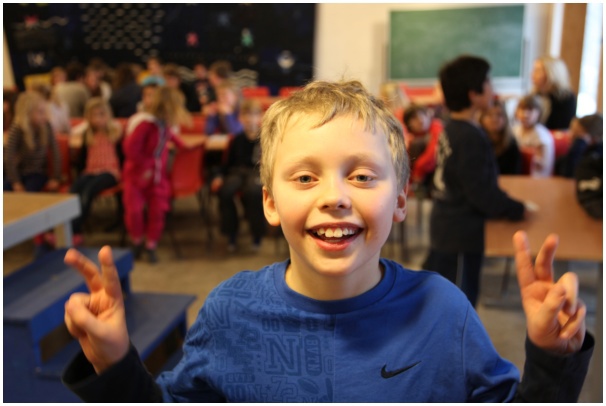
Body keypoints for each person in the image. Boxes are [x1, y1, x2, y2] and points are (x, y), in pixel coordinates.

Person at [62, 80, 593, 402]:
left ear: (400, 200)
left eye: (362, 176)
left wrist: (551, 357)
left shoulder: (443, 311)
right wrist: (115, 364)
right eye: (304, 177)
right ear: (270, 202)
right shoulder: (229, 312)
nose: (335, 196)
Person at [427, 56, 527, 308]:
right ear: (474, 94)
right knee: (458, 303)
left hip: (446, 226)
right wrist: (516, 208)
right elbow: (480, 192)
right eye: (488, 82)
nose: (493, 88)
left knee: (444, 296)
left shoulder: (452, 127)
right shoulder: (470, 136)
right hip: (460, 232)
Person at [121, 86, 190, 264]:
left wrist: (184, 148)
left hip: (157, 178)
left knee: (158, 211)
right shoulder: (145, 124)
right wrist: (145, 167)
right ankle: (137, 241)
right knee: (134, 211)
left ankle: (151, 244)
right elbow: (130, 149)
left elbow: (171, 137)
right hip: (137, 177)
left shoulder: (163, 125)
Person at [210, 99, 264, 253]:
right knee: (225, 191)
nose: (249, 119)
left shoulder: (264, 139)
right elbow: (227, 164)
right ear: (241, 118)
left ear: (259, 117)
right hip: (237, 172)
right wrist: (219, 176)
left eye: (253, 115)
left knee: (254, 193)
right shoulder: (237, 139)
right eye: (246, 115)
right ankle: (231, 233)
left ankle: (257, 235)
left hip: (257, 172)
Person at [69, 98, 124, 245]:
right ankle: (66, 226)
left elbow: (122, 156)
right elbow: (82, 159)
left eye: (101, 114)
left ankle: (74, 229)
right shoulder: (88, 134)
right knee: (74, 190)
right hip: (90, 171)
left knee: (88, 192)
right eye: (94, 115)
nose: (98, 119)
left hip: (110, 172)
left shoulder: (115, 133)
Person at [4, 91, 61, 192]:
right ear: (27, 113)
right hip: (19, 172)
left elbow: (55, 153)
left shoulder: (46, 126)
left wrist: (56, 177)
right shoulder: (17, 128)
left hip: (37, 173)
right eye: (40, 112)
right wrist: (16, 182)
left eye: (44, 112)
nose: (44, 116)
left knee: (29, 190)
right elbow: (9, 157)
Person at [512, 95, 555, 177]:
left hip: (536, 178)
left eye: (530, 110)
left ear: (539, 113)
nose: (525, 114)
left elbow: (542, 165)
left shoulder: (541, 135)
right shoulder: (514, 130)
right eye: (522, 109)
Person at [531, 56, 577, 130]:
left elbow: (562, 128)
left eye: (538, 71)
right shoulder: (535, 95)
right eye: (534, 70)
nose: (532, 74)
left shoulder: (566, 98)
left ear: (551, 73)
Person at [402, 104, 442, 187]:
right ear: (408, 124)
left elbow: (433, 154)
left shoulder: (436, 126)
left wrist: (417, 172)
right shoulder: (411, 137)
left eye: (423, 114)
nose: (420, 120)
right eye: (414, 118)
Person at [479, 97, 522, 175]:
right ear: (481, 119)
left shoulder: (511, 143)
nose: (494, 119)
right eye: (489, 115)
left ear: (505, 119)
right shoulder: (477, 141)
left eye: (499, 115)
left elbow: (515, 173)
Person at [556, 113, 603, 178]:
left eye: (577, 135)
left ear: (593, 137)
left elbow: (569, 173)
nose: (571, 137)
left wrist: (580, 143)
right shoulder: (580, 150)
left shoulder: (597, 155)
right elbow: (562, 170)